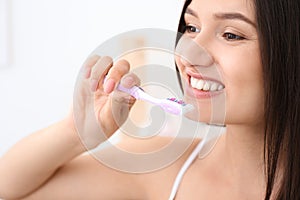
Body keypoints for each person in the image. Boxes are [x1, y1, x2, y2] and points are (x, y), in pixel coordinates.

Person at [0, 0, 299, 199]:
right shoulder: (162, 168)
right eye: (191, 27)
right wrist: (74, 134)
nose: (189, 52)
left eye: (231, 35)